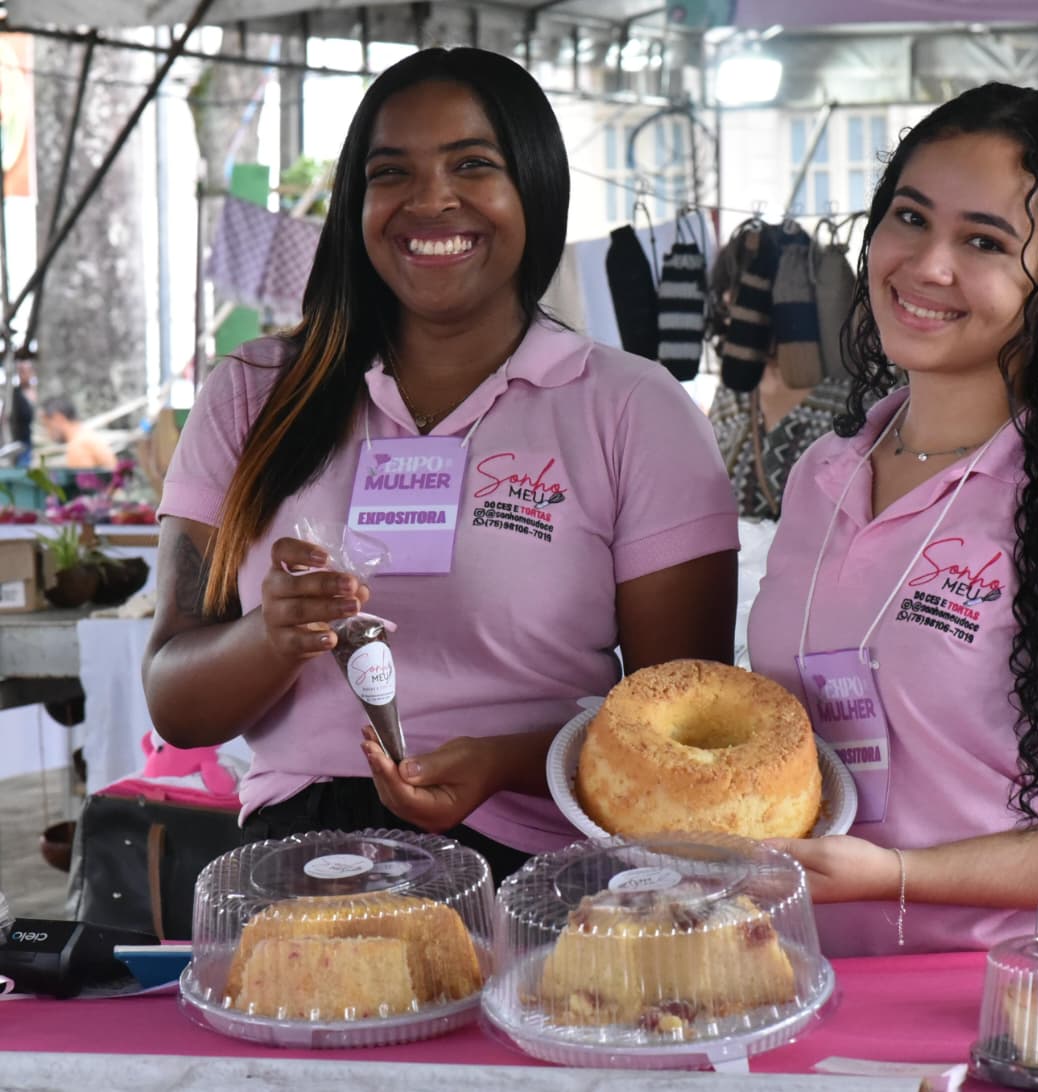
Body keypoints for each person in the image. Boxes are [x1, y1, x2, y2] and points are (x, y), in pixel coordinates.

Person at [143, 47, 739, 882]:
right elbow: (175, 701)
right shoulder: (254, 395)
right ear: (357, 201)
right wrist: (273, 636)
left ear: (535, 187)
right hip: (296, 860)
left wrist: (501, 761)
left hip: (540, 866)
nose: (430, 200)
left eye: (472, 164)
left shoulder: (633, 409)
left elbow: (688, 736)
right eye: (392, 172)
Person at [747, 83, 1038, 956]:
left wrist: (900, 877)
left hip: (1036, 995)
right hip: (809, 979)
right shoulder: (824, 470)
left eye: (984, 241)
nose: (928, 265)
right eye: (909, 217)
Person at [705, 229, 854, 519]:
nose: (728, 299)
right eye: (727, 286)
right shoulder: (733, 391)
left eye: (745, 287)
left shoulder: (853, 391)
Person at [38, 395, 118, 470]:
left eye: (46, 425)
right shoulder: (86, 436)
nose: (47, 432)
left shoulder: (77, 446)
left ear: (58, 418)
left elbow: (87, 483)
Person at [7, 351, 35, 467]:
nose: (23, 374)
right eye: (21, 372)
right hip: (23, 440)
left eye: (26, 371)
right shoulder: (15, 394)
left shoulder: (37, 390)